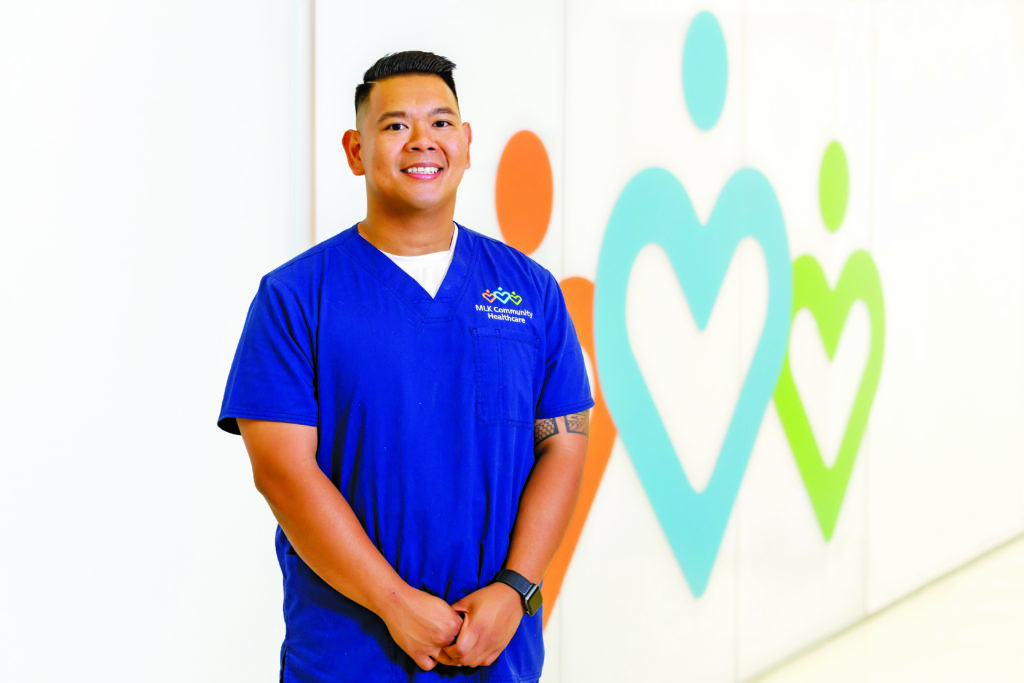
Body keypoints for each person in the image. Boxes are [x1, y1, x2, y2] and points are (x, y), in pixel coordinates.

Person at [217, 51, 593, 683]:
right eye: (395, 126)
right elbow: (282, 472)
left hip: (496, 645)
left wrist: (515, 590)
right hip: (350, 652)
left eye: (441, 123)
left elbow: (565, 447)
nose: (423, 141)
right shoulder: (295, 297)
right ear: (356, 150)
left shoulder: (531, 291)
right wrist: (396, 606)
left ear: (467, 143)